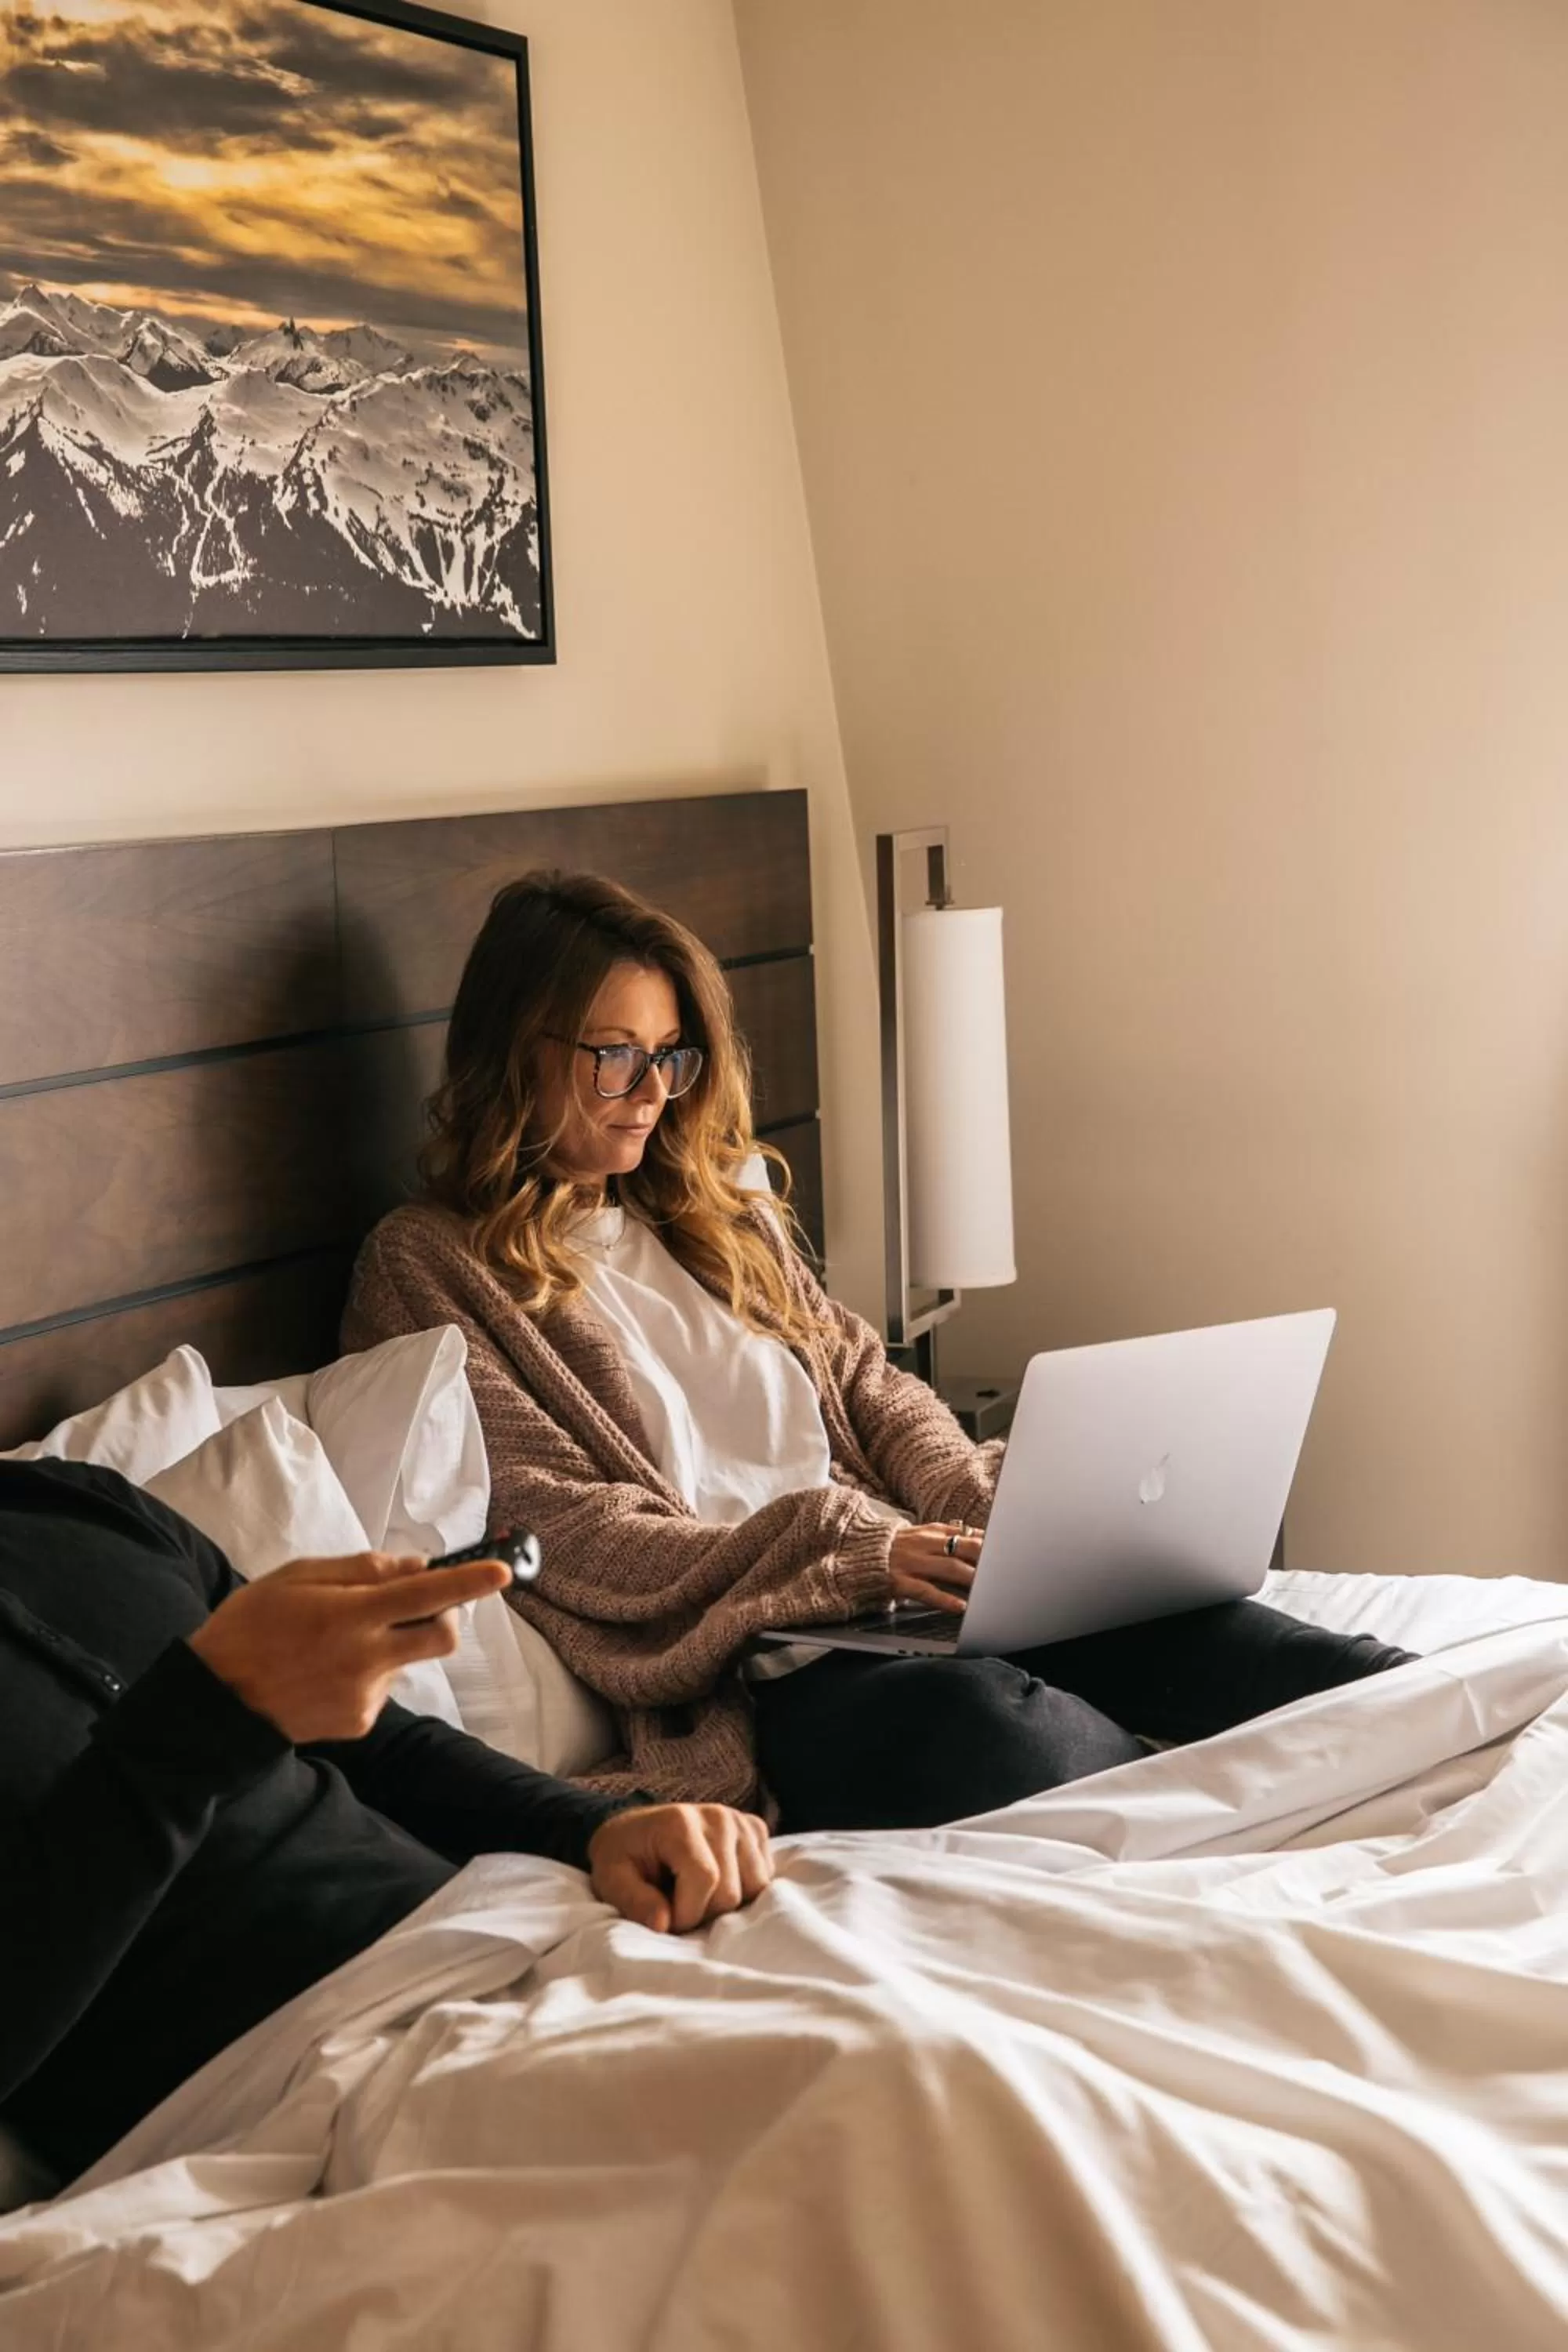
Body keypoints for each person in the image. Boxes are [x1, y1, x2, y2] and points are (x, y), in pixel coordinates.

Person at [345, 870, 1414, 1831]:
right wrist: (846, 1545)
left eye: (668, 1055)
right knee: (1007, 1736)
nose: (652, 1093)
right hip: (773, 1672)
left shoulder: (718, 1216)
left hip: (912, 1595)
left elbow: (865, 1379)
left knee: (1317, 1666)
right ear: (513, 1048)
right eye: (613, 1055)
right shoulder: (429, 1264)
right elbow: (561, 1528)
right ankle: (1236, 1814)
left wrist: (976, 1503)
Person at [0, 1455, 773, 2185]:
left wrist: (593, 1827)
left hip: (496, 1936)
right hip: (276, 2085)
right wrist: (201, 1722)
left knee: (864, 1982)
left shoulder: (83, 1504)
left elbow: (381, 1747)